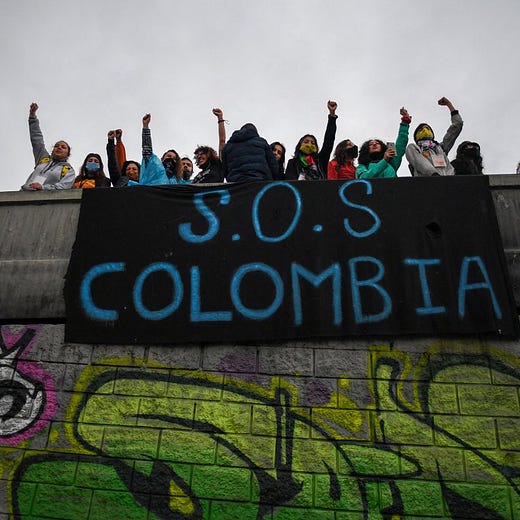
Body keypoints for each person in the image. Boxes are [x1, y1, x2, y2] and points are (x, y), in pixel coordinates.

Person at [22, 103, 75, 190]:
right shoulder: (43, 158)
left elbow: (64, 186)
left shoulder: (68, 170)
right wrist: (32, 117)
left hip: (46, 198)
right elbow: (37, 140)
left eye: (63, 147)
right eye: (56, 146)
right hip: (24, 194)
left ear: (68, 153)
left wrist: (43, 187)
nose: (59, 147)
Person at [405, 97, 463, 176]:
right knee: (410, 147)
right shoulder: (414, 149)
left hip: (448, 180)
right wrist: (433, 174)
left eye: (427, 128)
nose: (425, 130)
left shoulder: (440, 148)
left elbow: (457, 126)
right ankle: (433, 175)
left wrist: (449, 105)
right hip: (428, 181)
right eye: (421, 129)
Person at [285, 100, 338, 181]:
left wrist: (332, 115)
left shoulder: (320, 161)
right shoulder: (292, 163)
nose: (309, 144)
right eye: (306, 142)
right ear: (300, 145)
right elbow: (290, 181)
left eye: (312, 143)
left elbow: (329, 141)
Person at [356, 107, 412, 179]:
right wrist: (384, 161)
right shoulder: (362, 166)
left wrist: (405, 122)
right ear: (366, 150)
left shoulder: (391, 162)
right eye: (370, 144)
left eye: (377, 143)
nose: (374, 144)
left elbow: (401, 143)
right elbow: (364, 178)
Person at [140, 114, 182, 185]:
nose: (171, 159)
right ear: (162, 159)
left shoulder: (179, 181)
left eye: (174, 159)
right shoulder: (155, 168)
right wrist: (145, 126)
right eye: (169, 156)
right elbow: (147, 150)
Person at [191, 108, 227, 184]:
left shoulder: (218, 165)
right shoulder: (197, 176)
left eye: (202, 154)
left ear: (209, 154)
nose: (199, 157)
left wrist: (220, 119)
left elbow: (222, 141)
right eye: (197, 156)